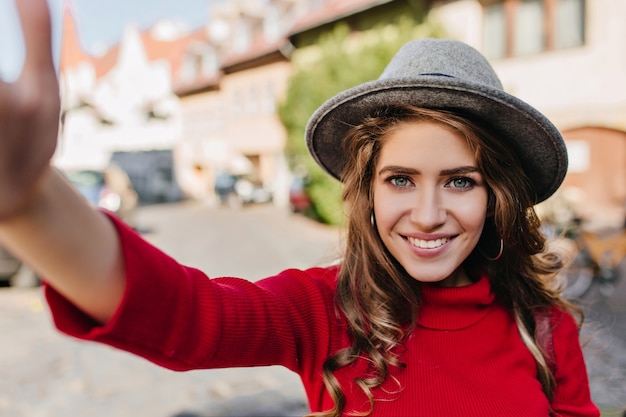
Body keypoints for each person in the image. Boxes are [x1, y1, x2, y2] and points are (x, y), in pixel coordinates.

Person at [0, 1, 599, 416]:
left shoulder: (543, 329)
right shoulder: (328, 312)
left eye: (461, 182)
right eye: (399, 179)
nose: (427, 213)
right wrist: (31, 205)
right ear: (367, 192)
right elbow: (188, 316)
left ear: (498, 195)